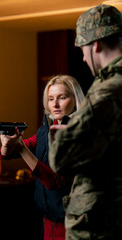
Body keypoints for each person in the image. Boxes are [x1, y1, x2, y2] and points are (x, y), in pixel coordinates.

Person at [48, 4, 122, 240]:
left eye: (82, 49)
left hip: (99, 225)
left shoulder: (109, 89)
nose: (82, 57)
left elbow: (61, 159)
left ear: (95, 44)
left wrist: (66, 136)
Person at [0, 75, 85, 240]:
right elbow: (8, 155)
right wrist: (7, 142)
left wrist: (20, 147)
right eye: (51, 98)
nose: (55, 104)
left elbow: (56, 181)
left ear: (75, 100)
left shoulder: (78, 134)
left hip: (70, 221)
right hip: (48, 217)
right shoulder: (45, 129)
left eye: (62, 97)